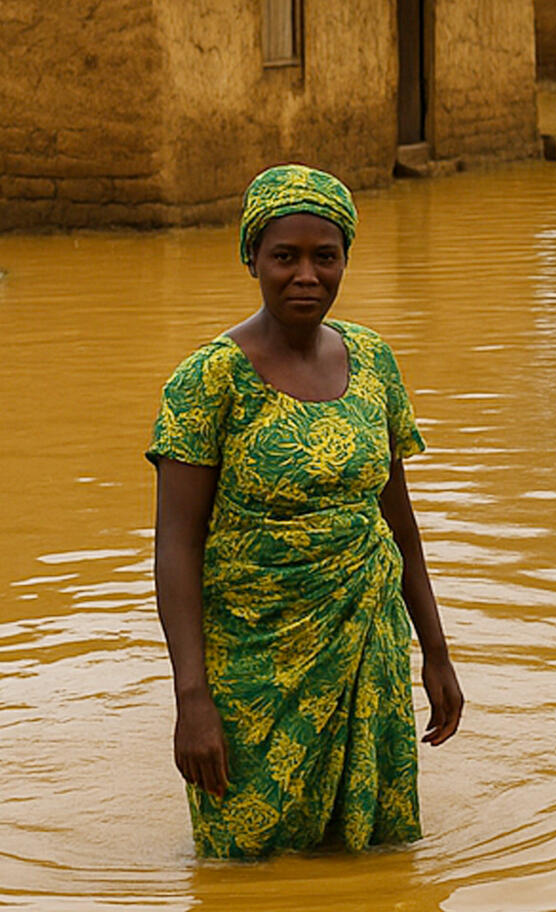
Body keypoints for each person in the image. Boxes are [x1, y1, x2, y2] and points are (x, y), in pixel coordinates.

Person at [147, 165, 463, 859]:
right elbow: (176, 548)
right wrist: (192, 698)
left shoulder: (373, 361)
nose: (306, 275)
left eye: (326, 256)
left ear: (346, 258)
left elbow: (399, 523)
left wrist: (435, 651)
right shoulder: (208, 380)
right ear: (251, 259)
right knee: (243, 861)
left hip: (365, 646)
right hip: (252, 666)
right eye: (284, 256)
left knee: (372, 856)